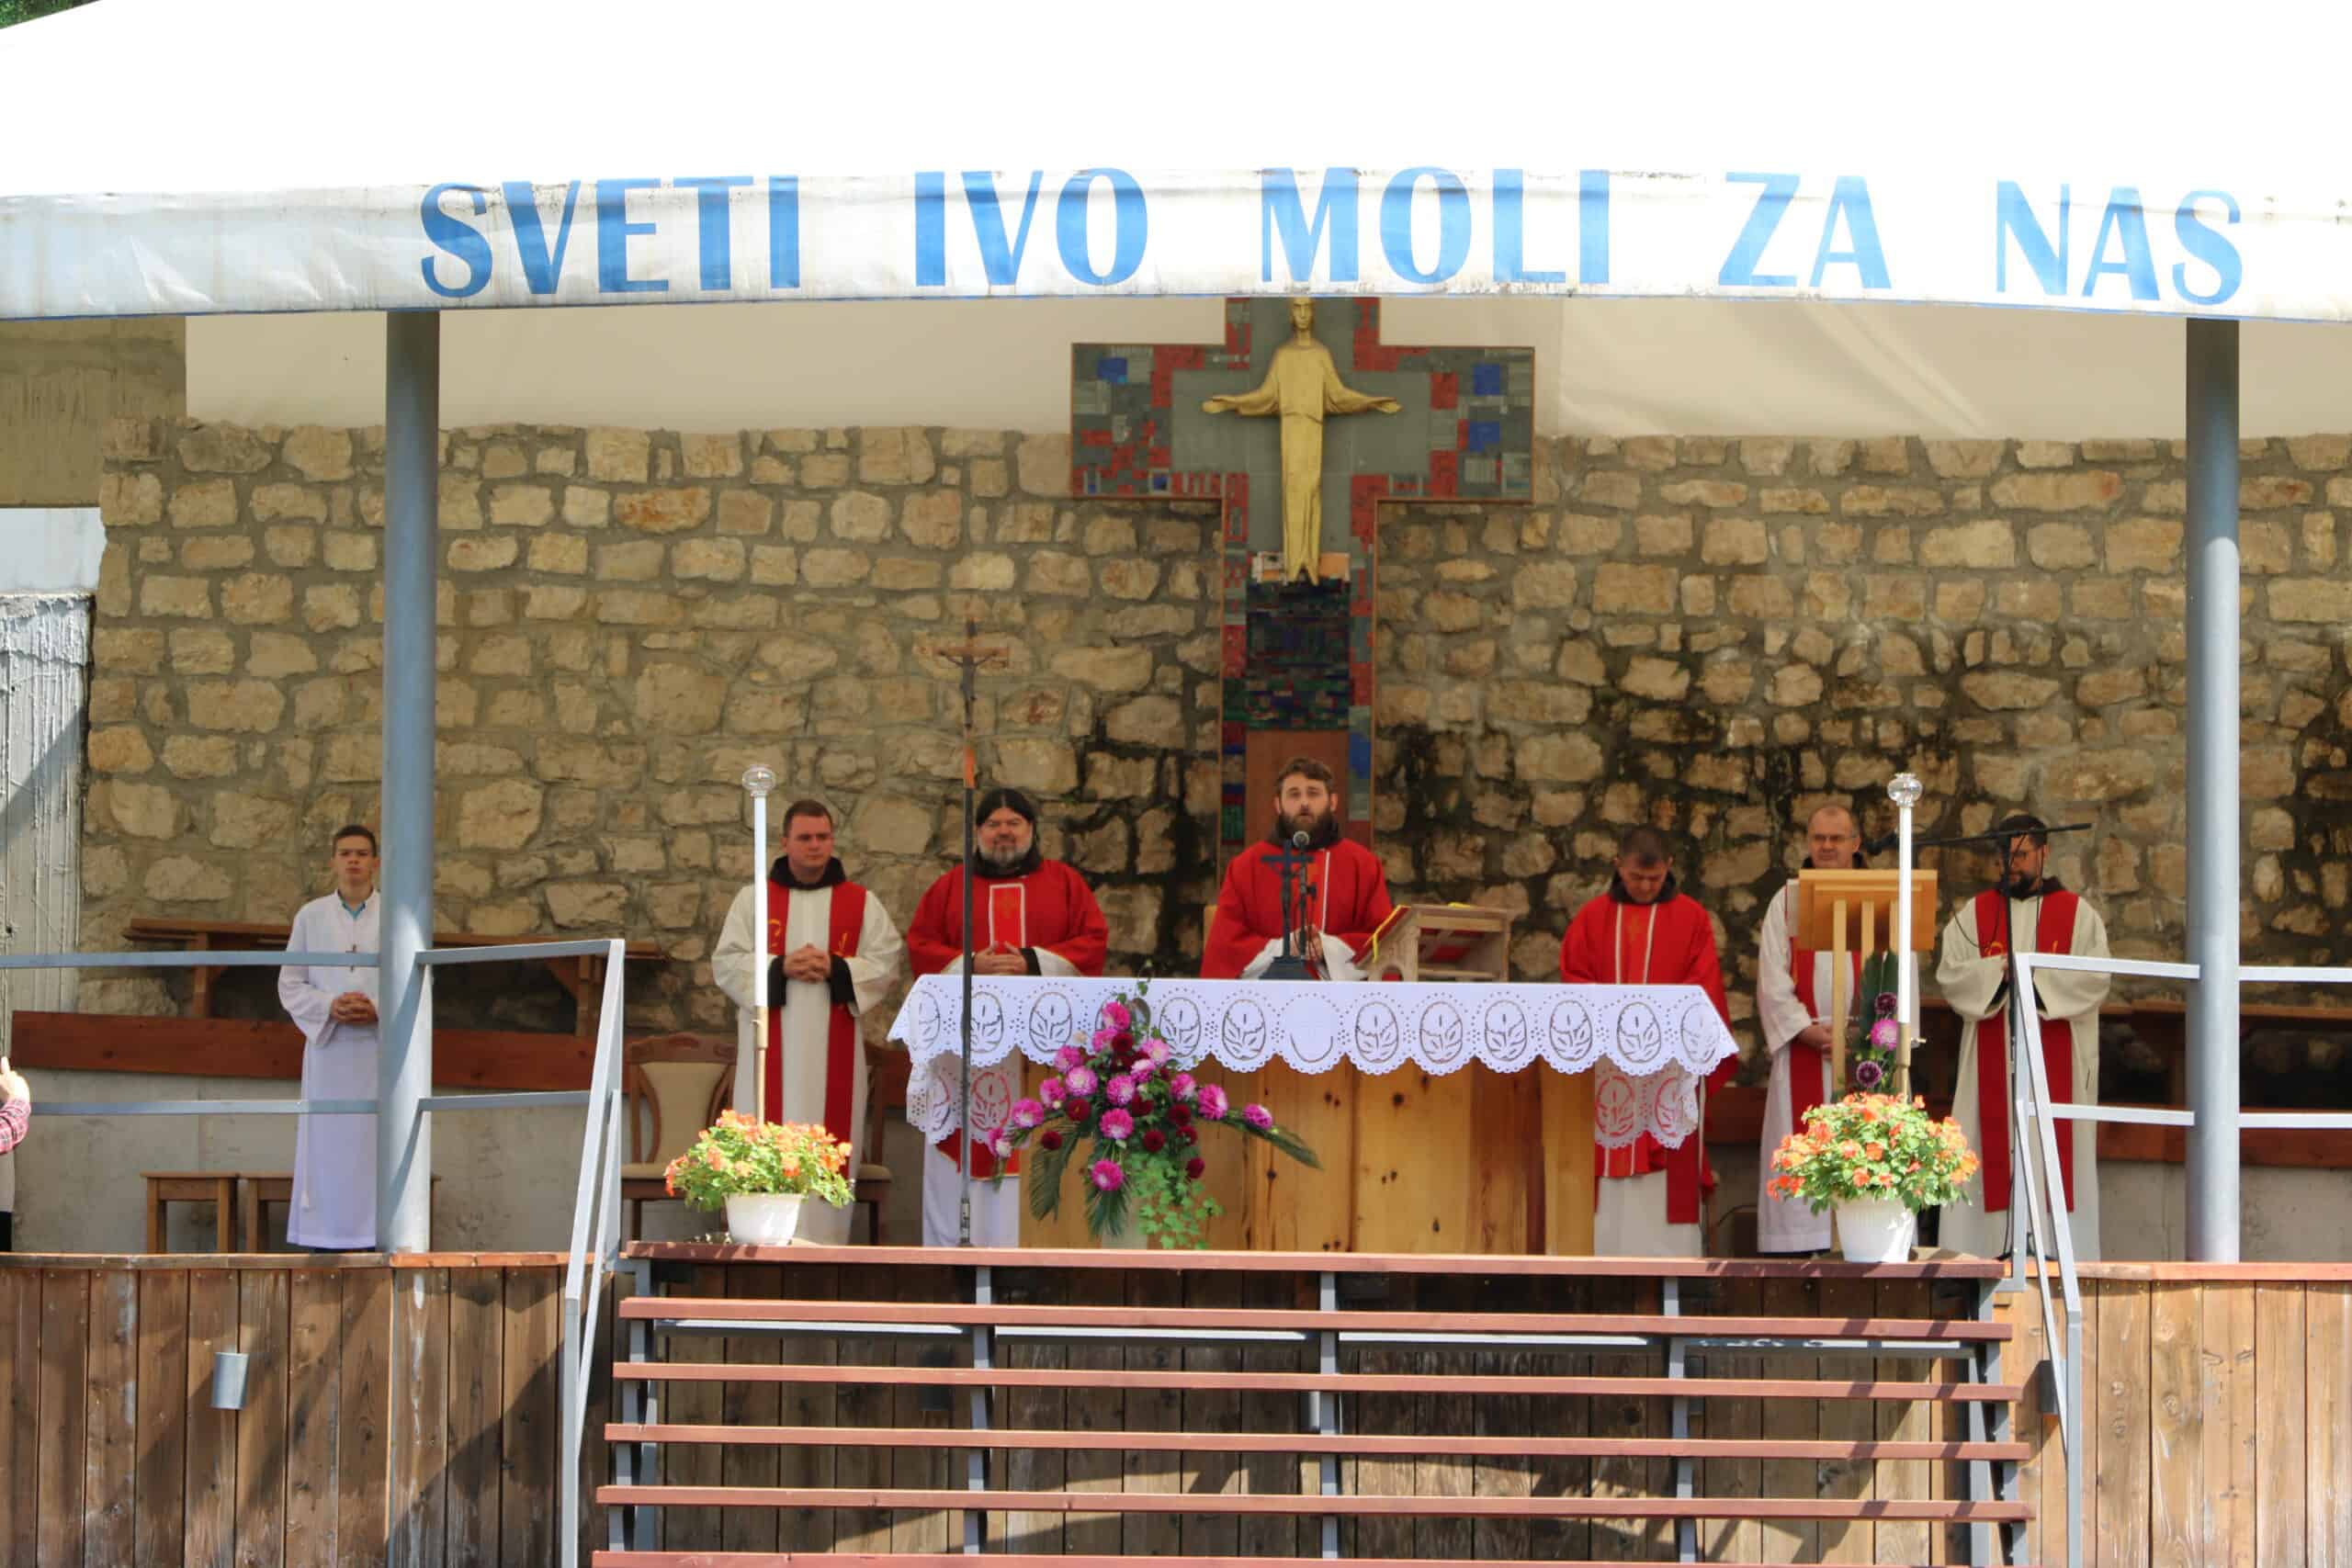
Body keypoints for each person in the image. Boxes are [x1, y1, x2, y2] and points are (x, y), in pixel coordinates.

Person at [905, 786, 1109, 1247]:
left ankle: (1041, 1246)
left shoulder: (1064, 883)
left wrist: (1031, 961)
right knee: (967, 1144)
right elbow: (920, 946)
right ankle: (956, 1250)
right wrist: (972, 963)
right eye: (993, 824)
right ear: (978, 832)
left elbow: (1093, 941)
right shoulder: (951, 887)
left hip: (1043, 1051)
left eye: (1013, 823)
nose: (1003, 832)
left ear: (1031, 829)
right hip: (966, 1055)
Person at [714, 798, 907, 1246]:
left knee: (830, 1142)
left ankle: (826, 1243)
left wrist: (837, 968)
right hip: (768, 1052)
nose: (815, 845)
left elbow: (885, 962)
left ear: (832, 840)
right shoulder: (754, 899)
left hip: (833, 1051)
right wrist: (779, 966)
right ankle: (763, 1242)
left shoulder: (861, 903)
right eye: (805, 837)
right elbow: (727, 962)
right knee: (765, 1132)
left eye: (823, 837)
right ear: (785, 842)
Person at [1935, 813, 2111, 1260]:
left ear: (2044, 853)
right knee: (1988, 1152)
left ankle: (2053, 1251)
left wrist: (2032, 977)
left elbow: (2095, 979)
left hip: (2056, 1064)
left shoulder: (2078, 916)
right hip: (1991, 1065)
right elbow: (1951, 975)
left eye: (2022, 855)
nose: (2011, 864)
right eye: (2004, 855)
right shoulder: (1973, 916)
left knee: (2053, 1151)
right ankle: (1984, 1250)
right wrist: (1998, 972)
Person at [1559, 826, 1737, 1257]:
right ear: (1618, 866)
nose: (1644, 887)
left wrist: (1654, 1032)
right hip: (1607, 1070)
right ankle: (1600, 1266)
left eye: (1654, 879)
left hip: (1668, 1071)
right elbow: (1574, 981)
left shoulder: (1692, 918)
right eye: (1636, 877)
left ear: (1669, 867)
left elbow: (1703, 990)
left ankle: (1671, 1267)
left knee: (1669, 1166)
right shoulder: (1592, 918)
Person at [1752, 804, 1920, 1254]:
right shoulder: (1787, 901)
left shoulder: (1883, 899)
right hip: (1806, 1047)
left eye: (1836, 838)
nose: (1826, 847)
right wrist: (1804, 1030)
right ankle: (1800, 1245)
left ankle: (1871, 1242)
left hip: (1870, 1051)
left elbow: (1903, 974)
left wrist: (1872, 1036)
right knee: (1801, 1152)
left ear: (1856, 843)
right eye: (1818, 838)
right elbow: (1771, 979)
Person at [277, 825, 383, 1251]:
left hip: (378, 1050)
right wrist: (329, 1005)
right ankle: (323, 1236)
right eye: (345, 853)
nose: (353, 860)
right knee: (328, 1142)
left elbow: (416, 980)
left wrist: (378, 1006)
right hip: (329, 1050)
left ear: (375, 862)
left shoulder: (396, 915)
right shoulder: (311, 916)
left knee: (375, 1140)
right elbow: (290, 983)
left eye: (361, 853)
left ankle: (376, 1235)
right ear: (333, 861)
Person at [1202, 757, 1393, 980]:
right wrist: (1284, 948)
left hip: (1340, 997)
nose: (1304, 803)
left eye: (1313, 793)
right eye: (1294, 794)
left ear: (1333, 802)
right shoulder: (1245, 867)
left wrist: (1328, 947)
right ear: (1278, 805)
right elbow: (1226, 948)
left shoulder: (1364, 865)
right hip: (1267, 994)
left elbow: (1385, 942)